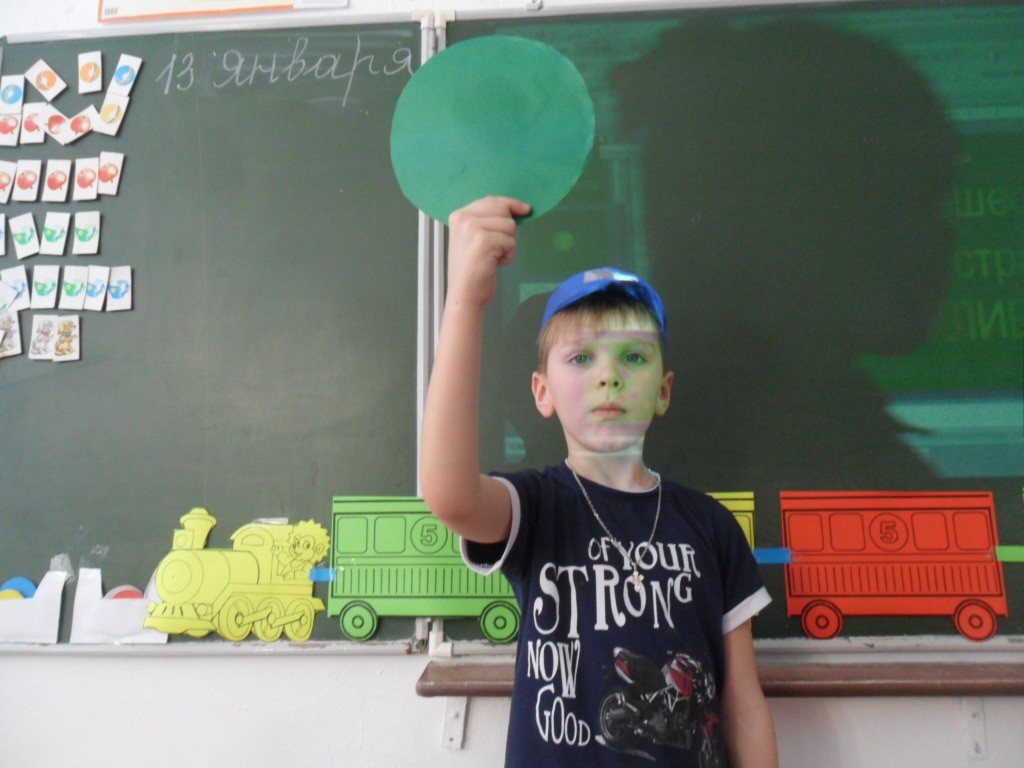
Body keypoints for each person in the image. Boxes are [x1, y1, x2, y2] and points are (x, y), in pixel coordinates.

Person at [421, 195, 778, 767]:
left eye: (633, 357)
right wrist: (466, 301)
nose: (608, 375)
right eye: (581, 358)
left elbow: (743, 703)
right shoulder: (537, 508)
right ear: (542, 392)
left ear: (664, 391)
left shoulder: (712, 526)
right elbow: (451, 496)